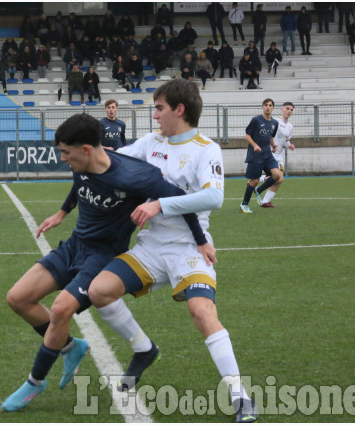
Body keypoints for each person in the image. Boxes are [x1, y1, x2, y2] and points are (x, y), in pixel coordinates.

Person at [0, 112, 208, 412]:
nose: (63, 159)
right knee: (17, 298)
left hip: (102, 257)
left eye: (66, 153)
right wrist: (62, 212)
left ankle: (35, 382)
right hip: (74, 246)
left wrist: (201, 241)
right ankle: (72, 348)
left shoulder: (138, 176)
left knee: (60, 309)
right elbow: (79, 184)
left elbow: (180, 200)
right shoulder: (81, 163)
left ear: (86, 149)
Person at [87, 78, 257, 423]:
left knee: (201, 312)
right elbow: (114, 161)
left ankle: (240, 396)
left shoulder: (206, 148)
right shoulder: (152, 142)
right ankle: (143, 349)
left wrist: (159, 204)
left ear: (180, 110)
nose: (154, 116)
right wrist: (84, 151)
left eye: (159, 108)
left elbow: (213, 198)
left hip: (189, 249)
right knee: (99, 291)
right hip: (151, 248)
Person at [239, 98, 280, 213]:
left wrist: (273, 145)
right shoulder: (256, 120)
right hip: (256, 155)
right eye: (266, 105)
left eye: (270, 105)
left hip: (267, 154)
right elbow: (247, 135)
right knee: (254, 181)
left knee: (277, 175)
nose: (268, 107)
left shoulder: (274, 123)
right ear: (262, 107)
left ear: (273, 108)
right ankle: (244, 204)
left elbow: (271, 135)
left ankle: (258, 191)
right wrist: (255, 145)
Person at [258, 102, 295, 207]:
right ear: (282, 110)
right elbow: (267, 134)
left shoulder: (290, 126)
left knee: (279, 179)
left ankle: (265, 201)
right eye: (287, 108)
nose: (289, 111)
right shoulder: (275, 121)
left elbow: (286, 141)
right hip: (270, 153)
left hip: (279, 155)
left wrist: (290, 145)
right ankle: (255, 179)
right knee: (278, 177)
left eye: (291, 110)